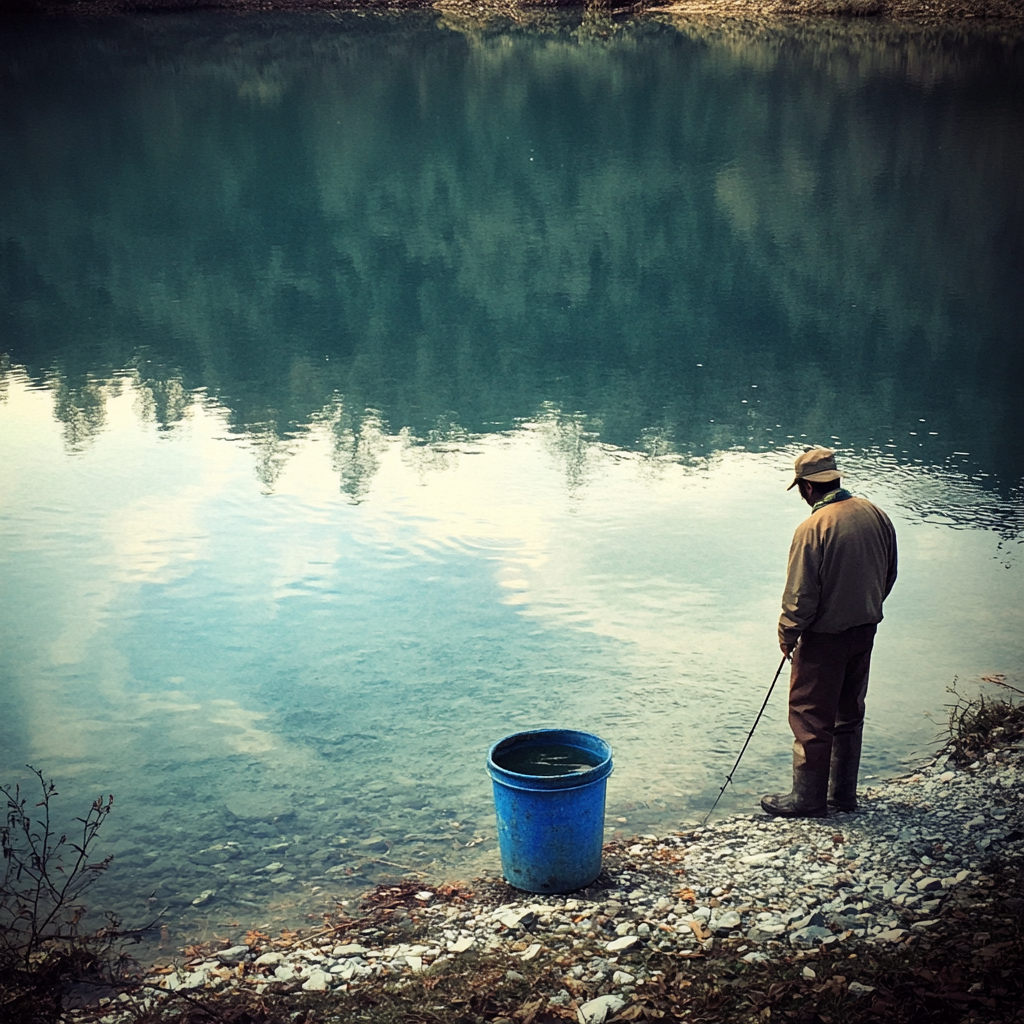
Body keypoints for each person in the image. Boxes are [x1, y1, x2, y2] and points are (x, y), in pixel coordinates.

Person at [761, 447, 898, 818]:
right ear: (835, 479)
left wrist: (787, 635)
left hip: (824, 639)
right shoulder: (875, 513)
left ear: (807, 488)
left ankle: (807, 799)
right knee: (849, 713)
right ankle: (842, 796)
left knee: (809, 716)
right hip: (865, 629)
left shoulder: (812, 528)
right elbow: (889, 573)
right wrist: (867, 609)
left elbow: (800, 595)